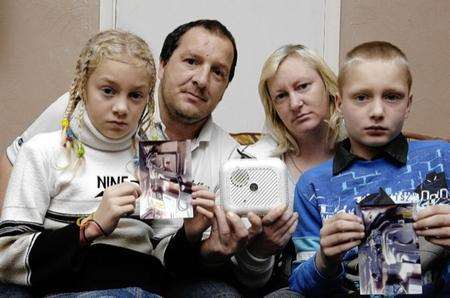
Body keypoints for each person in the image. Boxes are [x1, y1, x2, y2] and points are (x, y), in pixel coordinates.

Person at [0, 20, 293, 296]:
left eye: (136, 96)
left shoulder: (161, 155)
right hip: (68, 279)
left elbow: (165, 256)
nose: (120, 108)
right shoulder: (47, 143)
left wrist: (189, 235)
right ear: (81, 91)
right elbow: (8, 250)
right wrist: (89, 226)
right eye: (107, 91)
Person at [289, 41, 450, 296]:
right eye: (361, 97)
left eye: (392, 97)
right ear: (339, 104)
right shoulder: (313, 185)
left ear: (408, 104)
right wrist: (325, 259)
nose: (377, 111)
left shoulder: (443, 157)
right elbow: (299, 285)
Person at [237, 44, 344, 296]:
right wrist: (261, 249)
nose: (295, 103)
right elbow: (246, 279)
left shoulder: (363, 148)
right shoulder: (255, 163)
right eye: (281, 96)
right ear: (273, 108)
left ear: (329, 88)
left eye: (303, 86)